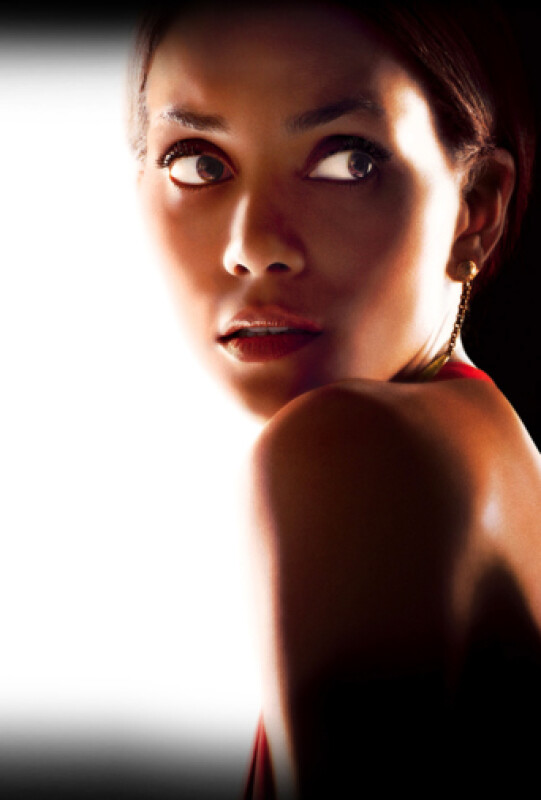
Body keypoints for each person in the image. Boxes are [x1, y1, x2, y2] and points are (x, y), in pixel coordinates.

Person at [129, 1, 541, 796]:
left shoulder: (351, 453)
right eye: (198, 163)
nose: (253, 246)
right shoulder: (492, 454)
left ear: (475, 208)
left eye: (347, 161)